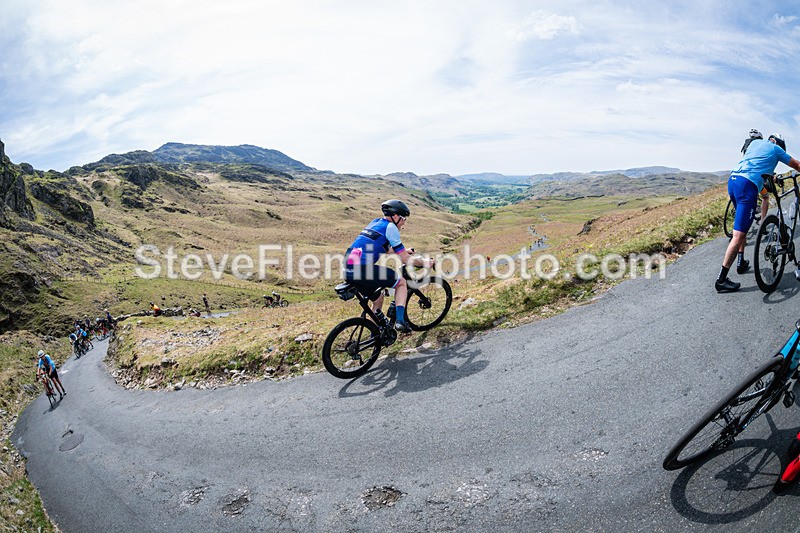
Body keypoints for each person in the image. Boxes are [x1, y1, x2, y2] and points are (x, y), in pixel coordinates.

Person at [716, 133, 800, 292]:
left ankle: (741, 261)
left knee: (742, 227)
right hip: (747, 185)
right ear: (778, 143)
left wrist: (773, 177)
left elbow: (758, 165)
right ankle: (721, 280)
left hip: (733, 180)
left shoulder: (755, 144)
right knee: (738, 235)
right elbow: (796, 165)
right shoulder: (776, 149)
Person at [343, 199, 435, 333]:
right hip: (362, 268)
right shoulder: (391, 227)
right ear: (396, 217)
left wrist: (403, 250)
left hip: (348, 266)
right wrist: (426, 263)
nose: (404, 222)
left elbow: (384, 248)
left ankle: (378, 331)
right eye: (403, 218)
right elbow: (405, 260)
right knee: (401, 283)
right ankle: (400, 321)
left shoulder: (376, 222)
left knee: (378, 298)